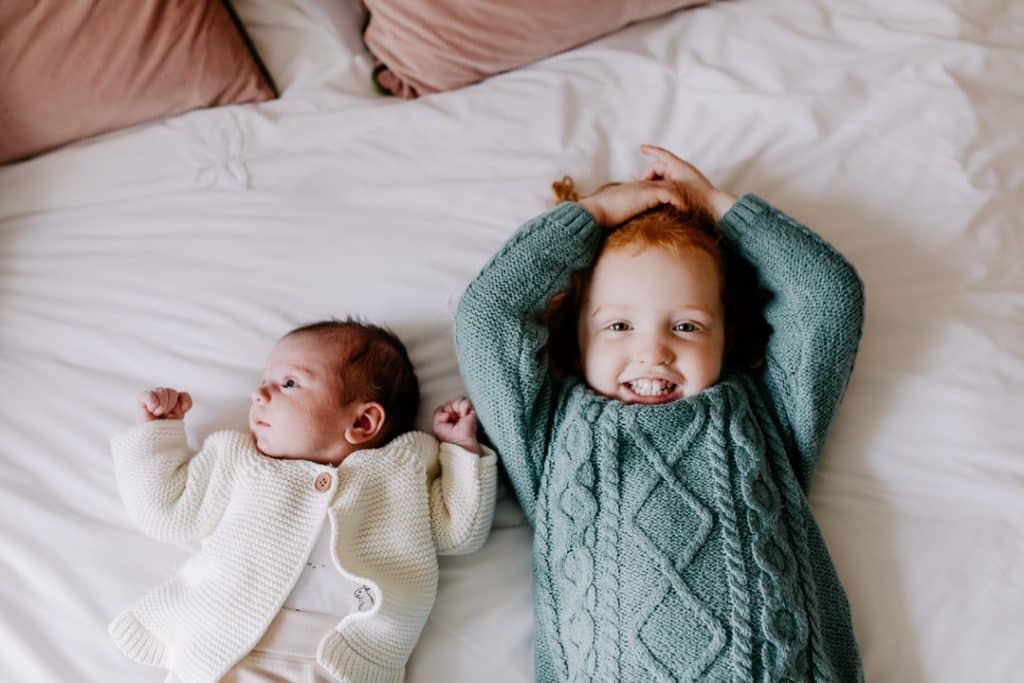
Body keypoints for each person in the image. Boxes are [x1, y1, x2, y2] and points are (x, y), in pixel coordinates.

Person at [454, 146, 864, 681]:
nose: (654, 352)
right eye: (619, 326)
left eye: (687, 326)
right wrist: (592, 217)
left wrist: (718, 207)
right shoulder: (550, 432)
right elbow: (490, 316)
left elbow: (828, 299)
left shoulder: (768, 411)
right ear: (575, 340)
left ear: (728, 336)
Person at [109, 318, 497, 683]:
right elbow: (166, 513)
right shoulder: (240, 461)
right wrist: (158, 433)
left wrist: (460, 451)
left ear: (363, 423)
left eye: (289, 383)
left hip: (344, 665)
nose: (259, 394)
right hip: (224, 654)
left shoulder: (401, 470)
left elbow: (459, 533)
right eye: (264, 381)